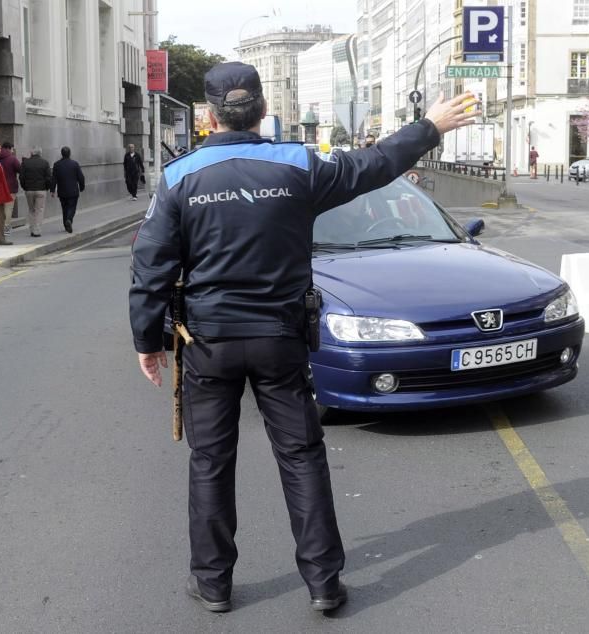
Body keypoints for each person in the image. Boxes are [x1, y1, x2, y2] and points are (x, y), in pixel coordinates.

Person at [128, 61, 476, 615]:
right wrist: (430, 125)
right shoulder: (299, 165)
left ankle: (213, 584)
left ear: (209, 117)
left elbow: (150, 267)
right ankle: (323, 582)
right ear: (264, 110)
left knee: (210, 461)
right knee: (301, 455)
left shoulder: (179, 177)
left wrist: (147, 340)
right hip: (280, 337)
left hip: (208, 342)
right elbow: (376, 164)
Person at [51, 146, 85, 233]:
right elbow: (81, 177)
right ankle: (69, 220)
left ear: (61, 154)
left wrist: (52, 190)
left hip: (62, 191)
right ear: (70, 154)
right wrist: (82, 187)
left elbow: (54, 178)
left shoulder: (56, 165)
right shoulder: (75, 164)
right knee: (72, 207)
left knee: (64, 208)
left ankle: (66, 225)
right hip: (73, 191)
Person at [19, 146, 52, 237]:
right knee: (39, 210)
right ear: (40, 153)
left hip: (29, 190)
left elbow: (21, 177)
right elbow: (49, 177)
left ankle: (32, 229)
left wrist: (24, 187)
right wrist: (47, 187)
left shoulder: (25, 163)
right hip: (41, 190)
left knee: (31, 210)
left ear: (31, 153)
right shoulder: (45, 163)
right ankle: (36, 231)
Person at [0, 141, 22, 236]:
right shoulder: (12, 159)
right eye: (13, 149)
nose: (13, 151)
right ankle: (6, 227)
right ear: (9, 148)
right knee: (8, 208)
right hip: (10, 187)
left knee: (0, 208)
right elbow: (20, 169)